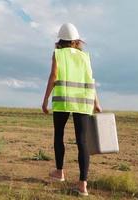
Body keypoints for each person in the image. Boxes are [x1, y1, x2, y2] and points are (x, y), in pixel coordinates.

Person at [42, 23, 102, 196]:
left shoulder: (58, 54)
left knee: (59, 135)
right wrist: (96, 102)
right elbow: (90, 80)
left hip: (63, 102)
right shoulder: (85, 57)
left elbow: (53, 76)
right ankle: (83, 185)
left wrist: (45, 99)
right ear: (76, 41)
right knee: (82, 142)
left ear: (60, 40)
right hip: (83, 102)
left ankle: (59, 172)